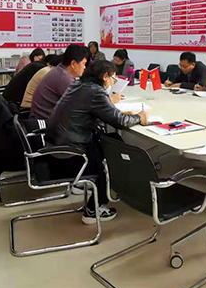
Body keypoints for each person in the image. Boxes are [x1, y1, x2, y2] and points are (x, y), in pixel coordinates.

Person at [48, 60, 149, 223]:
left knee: (114, 140)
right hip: (70, 154)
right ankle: (93, 209)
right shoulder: (95, 92)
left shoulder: (79, 85)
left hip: (58, 144)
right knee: (111, 156)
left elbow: (96, 112)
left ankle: (116, 187)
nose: (113, 83)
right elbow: (120, 122)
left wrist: (120, 114)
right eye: (113, 79)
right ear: (104, 76)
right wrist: (139, 117)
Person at [30, 45, 87, 120]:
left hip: (41, 117)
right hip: (45, 121)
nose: (84, 67)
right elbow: (79, 105)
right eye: (83, 64)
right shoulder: (64, 78)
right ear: (73, 64)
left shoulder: (60, 70)